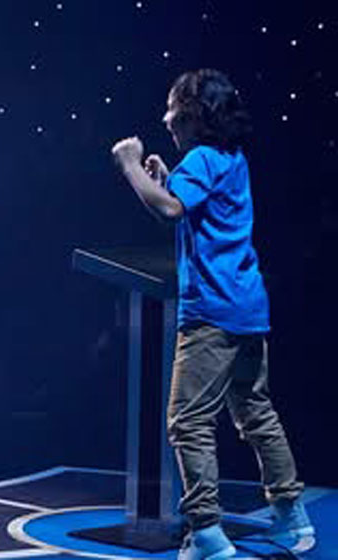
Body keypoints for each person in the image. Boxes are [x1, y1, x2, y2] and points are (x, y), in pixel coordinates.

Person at [110, 69, 316, 559]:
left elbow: (169, 211)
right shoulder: (231, 158)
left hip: (212, 313)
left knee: (188, 422)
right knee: (255, 412)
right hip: (247, 309)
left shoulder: (202, 158)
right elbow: (188, 208)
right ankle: (291, 518)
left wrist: (130, 165)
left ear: (193, 115)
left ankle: (205, 533)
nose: (166, 118)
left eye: (172, 108)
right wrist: (163, 181)